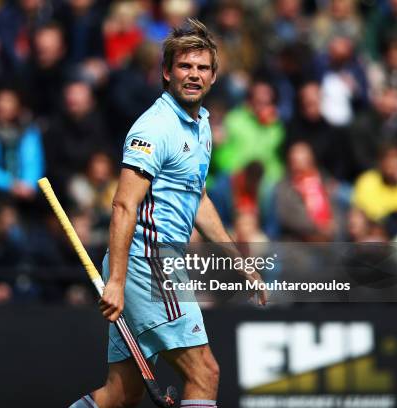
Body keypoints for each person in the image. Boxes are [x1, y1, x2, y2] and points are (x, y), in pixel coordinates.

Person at [69, 19, 267, 408]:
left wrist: (238, 261)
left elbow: (200, 201)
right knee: (204, 373)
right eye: (185, 66)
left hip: (156, 265)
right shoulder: (154, 128)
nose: (194, 75)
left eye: (202, 68)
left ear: (213, 77)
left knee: (120, 395)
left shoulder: (201, 126)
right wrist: (118, 281)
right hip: (149, 263)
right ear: (166, 72)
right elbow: (124, 204)